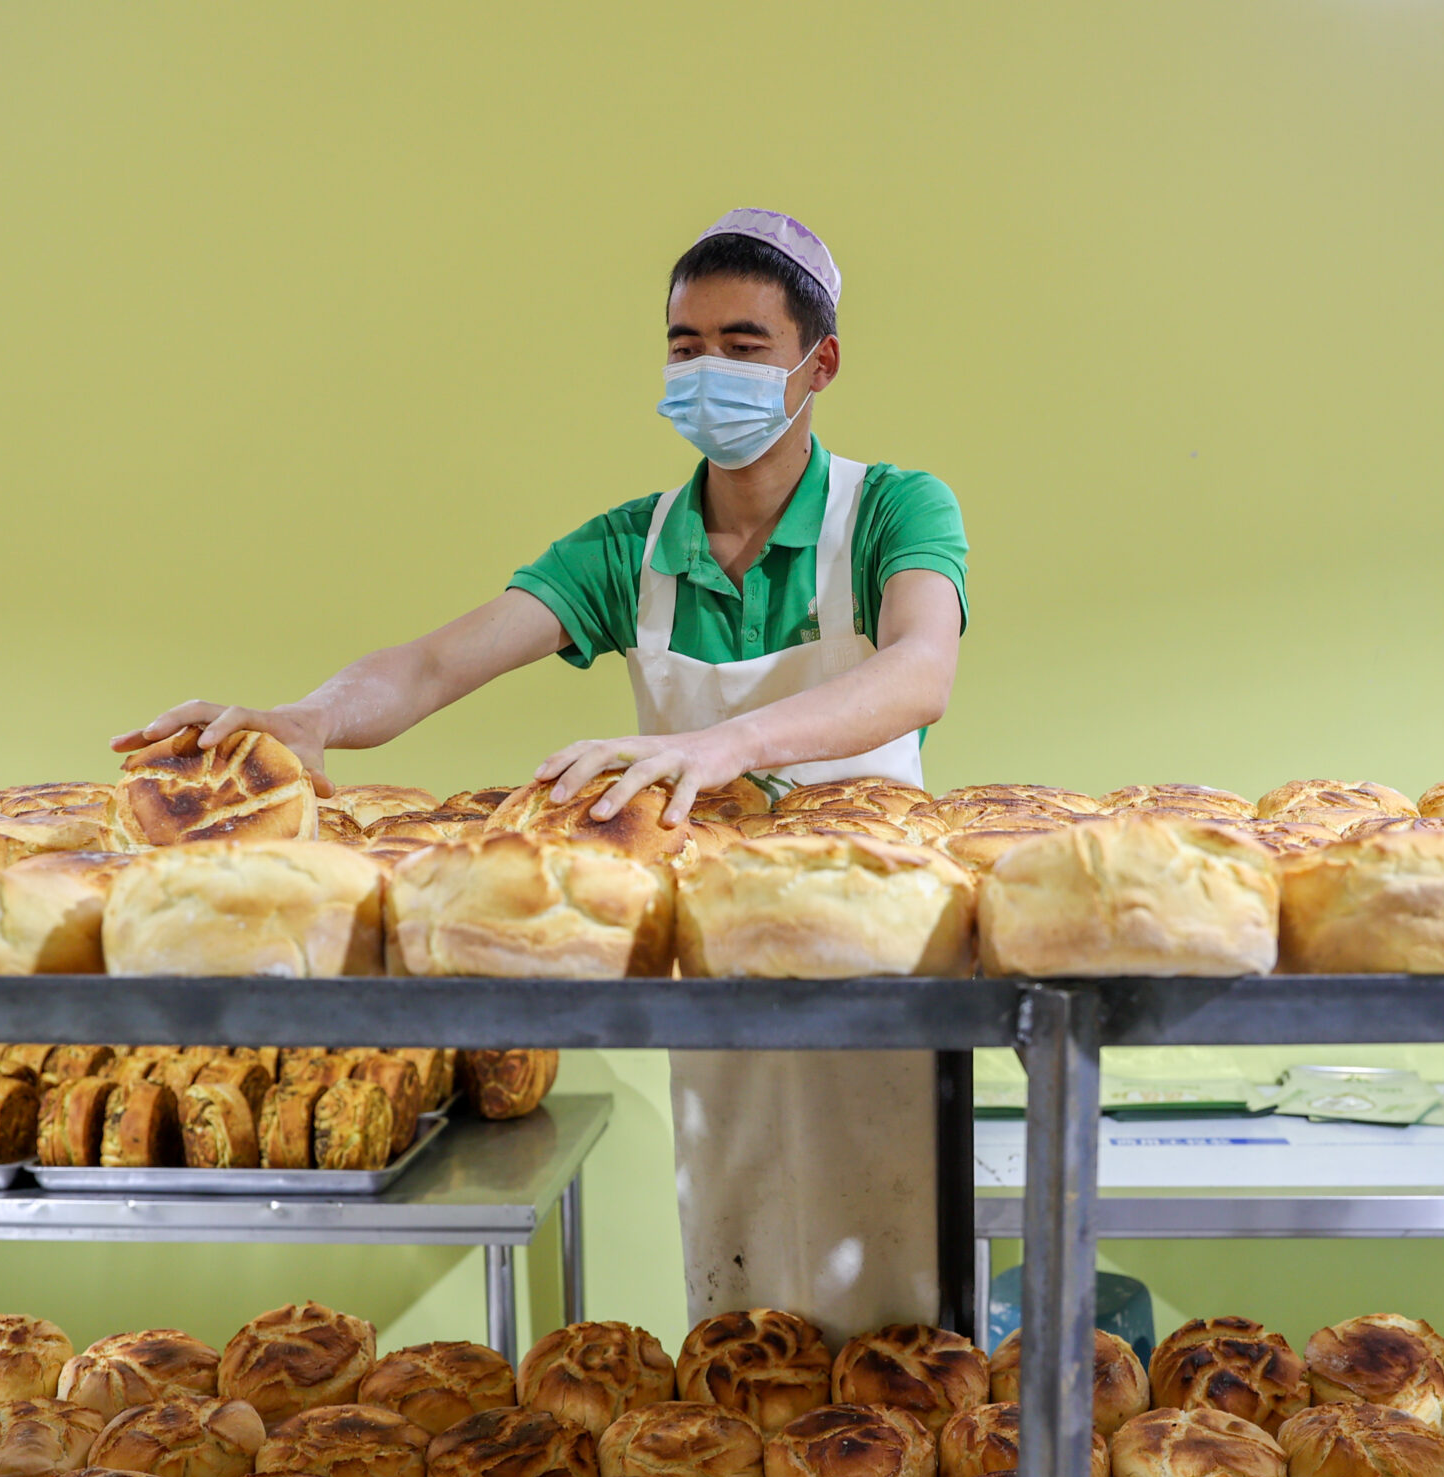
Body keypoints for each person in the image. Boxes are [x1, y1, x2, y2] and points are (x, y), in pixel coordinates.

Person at [113, 209, 969, 1342]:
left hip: (882, 959)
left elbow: (918, 670)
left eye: (743, 344)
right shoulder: (633, 546)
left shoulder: (893, 510)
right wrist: (308, 716)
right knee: (745, 1248)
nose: (707, 367)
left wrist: (720, 747)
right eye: (684, 342)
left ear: (821, 363)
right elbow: (429, 665)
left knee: (895, 1277)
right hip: (718, 958)